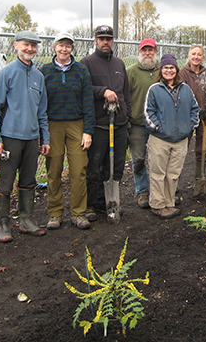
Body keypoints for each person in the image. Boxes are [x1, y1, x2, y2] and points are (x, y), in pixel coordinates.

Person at [0, 31, 51, 242]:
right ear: (16, 46)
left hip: (31, 139)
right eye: (26, 45)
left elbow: (42, 111)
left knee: (28, 180)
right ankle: (4, 224)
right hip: (9, 138)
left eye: (33, 46)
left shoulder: (38, 77)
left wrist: (46, 138)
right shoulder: (7, 73)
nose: (30, 49)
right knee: (6, 181)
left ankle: (26, 219)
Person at [39, 33, 95, 230]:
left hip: (76, 124)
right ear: (55, 47)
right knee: (53, 170)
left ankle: (78, 213)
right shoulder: (44, 71)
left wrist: (87, 131)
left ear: (72, 49)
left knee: (78, 170)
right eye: (61, 45)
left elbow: (88, 101)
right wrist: (42, 133)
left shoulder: (81, 71)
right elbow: (39, 104)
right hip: (52, 124)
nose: (64, 49)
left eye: (68, 46)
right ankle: (54, 213)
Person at [80, 25, 131, 221]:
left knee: (116, 165)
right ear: (95, 41)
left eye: (108, 39)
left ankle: (110, 201)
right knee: (95, 166)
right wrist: (103, 91)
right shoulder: (87, 63)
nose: (105, 42)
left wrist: (127, 115)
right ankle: (92, 204)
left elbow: (125, 92)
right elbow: (84, 89)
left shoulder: (119, 64)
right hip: (99, 124)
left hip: (118, 124)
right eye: (101, 39)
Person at [143, 54, 199, 219]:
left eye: (172, 67)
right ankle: (158, 204)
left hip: (180, 140)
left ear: (176, 69)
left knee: (173, 173)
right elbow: (148, 112)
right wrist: (158, 128)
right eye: (166, 67)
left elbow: (194, 109)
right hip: (160, 139)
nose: (169, 70)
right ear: (161, 70)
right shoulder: (154, 90)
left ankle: (169, 203)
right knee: (158, 173)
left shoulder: (185, 89)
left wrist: (189, 126)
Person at [178, 44, 206, 197]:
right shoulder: (182, 73)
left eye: (199, 54)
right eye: (193, 54)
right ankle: (174, 185)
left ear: (203, 57)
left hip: (204, 118)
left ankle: (200, 181)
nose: (196, 57)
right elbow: (181, 95)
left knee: (202, 150)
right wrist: (194, 110)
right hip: (186, 118)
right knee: (181, 150)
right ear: (189, 56)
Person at [126, 38, 159, 209]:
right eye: (144, 50)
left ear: (155, 52)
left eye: (150, 50)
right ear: (140, 52)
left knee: (158, 160)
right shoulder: (131, 72)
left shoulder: (164, 70)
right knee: (138, 159)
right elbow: (125, 97)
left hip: (159, 125)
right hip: (137, 124)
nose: (147, 53)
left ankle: (158, 191)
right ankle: (142, 192)